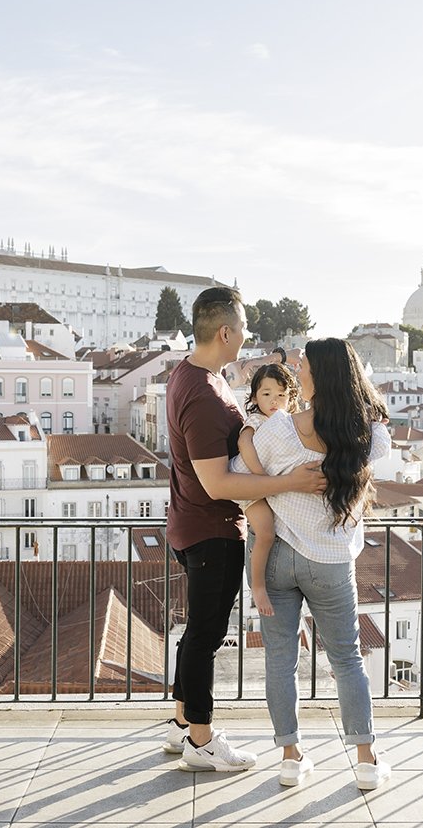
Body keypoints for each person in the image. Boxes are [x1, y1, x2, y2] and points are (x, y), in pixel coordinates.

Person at [160, 286, 327, 773]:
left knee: (197, 633)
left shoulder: (187, 375)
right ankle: (202, 741)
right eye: (245, 327)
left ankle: (181, 727)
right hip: (210, 529)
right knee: (205, 636)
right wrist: (289, 481)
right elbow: (216, 482)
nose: (249, 335)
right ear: (226, 332)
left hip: (189, 523)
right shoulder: (205, 395)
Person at [235, 338, 393, 791]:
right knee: (347, 659)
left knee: (280, 661)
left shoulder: (280, 430)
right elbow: (382, 428)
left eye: (303, 366)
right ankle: (365, 761)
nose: (296, 372)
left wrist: (253, 445)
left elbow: (238, 472)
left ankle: (290, 757)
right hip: (329, 560)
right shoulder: (364, 437)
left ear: (317, 377)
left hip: (277, 554)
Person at [235, 361, 302, 617]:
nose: (274, 401)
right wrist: (261, 479)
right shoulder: (257, 419)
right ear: (254, 397)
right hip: (249, 486)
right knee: (265, 534)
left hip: (264, 486)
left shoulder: (288, 423)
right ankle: (259, 587)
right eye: (266, 394)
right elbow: (244, 443)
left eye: (281, 395)